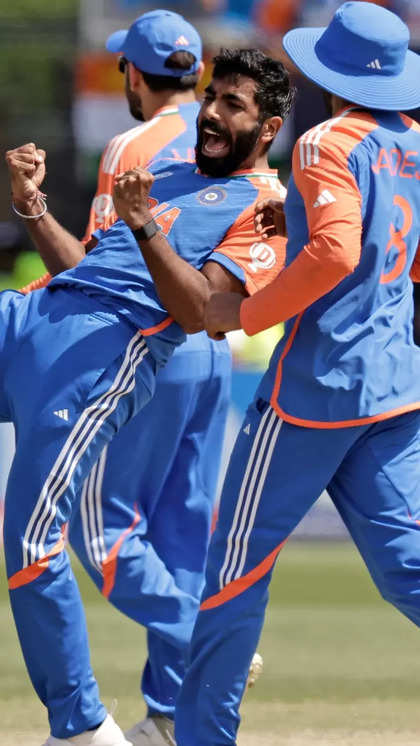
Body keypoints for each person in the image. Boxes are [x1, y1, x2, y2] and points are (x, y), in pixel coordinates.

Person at [4, 47, 294, 746]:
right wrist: (33, 206)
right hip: (34, 313)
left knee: (39, 536)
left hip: (105, 351)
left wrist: (145, 225)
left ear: (269, 128)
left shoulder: (269, 210)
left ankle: (83, 729)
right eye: (211, 97)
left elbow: (200, 312)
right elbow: (88, 265)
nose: (211, 114)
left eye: (233, 105)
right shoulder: (166, 173)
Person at [172, 3, 420, 745]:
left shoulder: (323, 141)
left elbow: (338, 253)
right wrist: (306, 225)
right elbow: (392, 252)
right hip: (395, 385)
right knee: (407, 566)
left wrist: (244, 314)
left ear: (329, 70)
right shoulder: (412, 142)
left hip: (316, 391)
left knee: (235, 572)